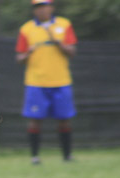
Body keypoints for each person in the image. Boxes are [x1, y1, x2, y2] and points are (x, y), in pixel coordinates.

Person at [16, 0, 78, 164]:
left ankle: (67, 156)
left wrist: (58, 42)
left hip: (61, 81)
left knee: (64, 118)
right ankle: (35, 157)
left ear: (51, 7)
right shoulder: (26, 29)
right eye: (37, 6)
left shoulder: (64, 25)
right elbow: (19, 57)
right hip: (36, 82)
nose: (41, 10)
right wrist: (27, 53)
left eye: (44, 5)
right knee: (35, 119)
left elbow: (72, 51)